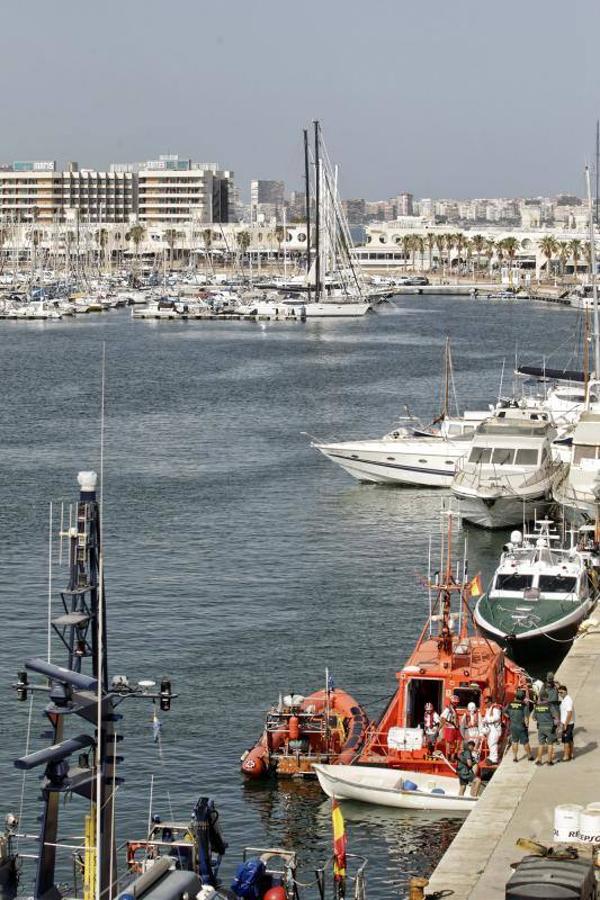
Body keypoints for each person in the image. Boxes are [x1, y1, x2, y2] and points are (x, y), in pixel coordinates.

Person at [503, 689, 533, 762]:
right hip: (521, 726)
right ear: (523, 698)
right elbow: (526, 718)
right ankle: (529, 756)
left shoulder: (510, 704)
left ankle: (515, 757)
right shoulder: (524, 706)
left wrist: (509, 717)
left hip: (513, 726)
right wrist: (527, 725)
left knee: (514, 741)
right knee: (525, 742)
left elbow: (504, 712)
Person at [532, 686, 558, 765]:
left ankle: (539, 760)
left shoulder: (537, 707)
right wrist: (556, 725)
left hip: (541, 727)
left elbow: (533, 718)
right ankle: (549, 761)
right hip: (550, 727)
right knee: (550, 744)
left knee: (541, 744)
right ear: (546, 697)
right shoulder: (550, 706)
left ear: (540, 698)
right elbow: (556, 718)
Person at [483, 695, 503, 764]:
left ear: (490, 702)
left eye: (487, 702)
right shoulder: (488, 709)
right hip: (490, 729)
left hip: (495, 729)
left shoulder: (495, 708)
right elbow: (486, 717)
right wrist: (484, 720)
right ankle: (491, 756)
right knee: (490, 743)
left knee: (493, 743)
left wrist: (488, 720)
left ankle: (494, 759)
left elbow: (497, 717)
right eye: (484, 702)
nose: (485, 704)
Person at [558, 684, 575, 761]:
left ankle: (566, 756)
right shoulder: (565, 699)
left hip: (567, 724)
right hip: (568, 723)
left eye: (561, 692)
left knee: (566, 741)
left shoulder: (568, 700)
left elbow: (569, 713)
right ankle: (571, 754)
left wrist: (565, 724)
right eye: (559, 693)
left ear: (565, 692)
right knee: (570, 739)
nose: (560, 694)